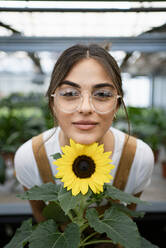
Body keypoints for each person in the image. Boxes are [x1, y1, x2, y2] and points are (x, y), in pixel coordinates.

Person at [14, 44, 154, 225]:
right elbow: (45, 229)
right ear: (52, 103)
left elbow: (124, 232)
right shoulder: (30, 158)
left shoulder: (138, 158)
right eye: (70, 93)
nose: (86, 108)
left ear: (117, 105)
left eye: (102, 94)